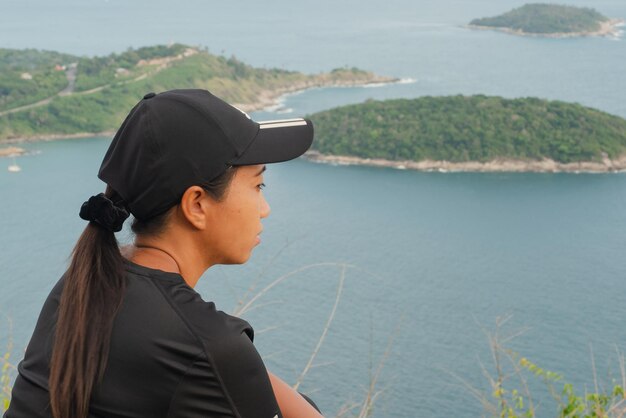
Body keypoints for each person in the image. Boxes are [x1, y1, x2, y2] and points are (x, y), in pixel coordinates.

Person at [4, 89, 323, 418]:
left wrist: (237, 371)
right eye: (259, 186)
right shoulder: (206, 346)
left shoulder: (83, 284)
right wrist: (233, 366)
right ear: (196, 205)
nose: (265, 209)